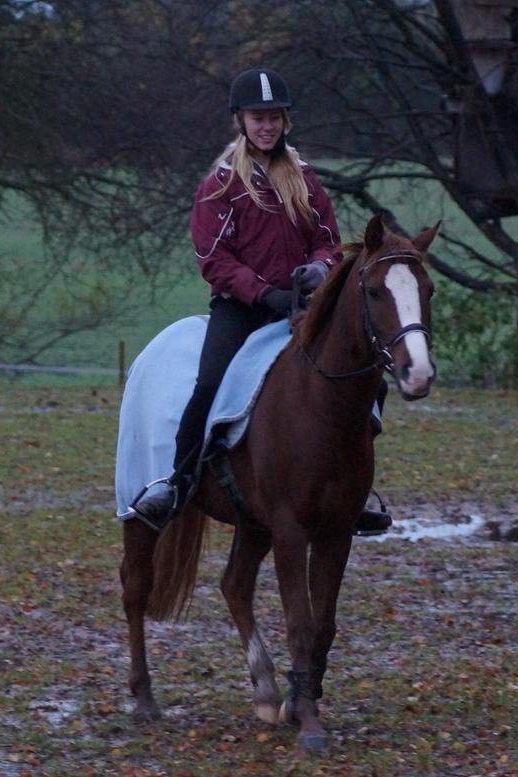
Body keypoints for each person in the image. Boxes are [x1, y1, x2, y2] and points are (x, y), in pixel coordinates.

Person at [131, 67, 392, 536]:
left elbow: (328, 240)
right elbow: (215, 260)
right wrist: (262, 291)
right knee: (208, 384)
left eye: (274, 117)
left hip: (300, 305)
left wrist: (319, 268)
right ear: (241, 120)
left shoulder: (306, 180)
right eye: (257, 117)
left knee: (369, 378)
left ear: (284, 121)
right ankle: (179, 481)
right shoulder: (221, 185)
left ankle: (353, 491)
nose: (266, 125)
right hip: (241, 309)